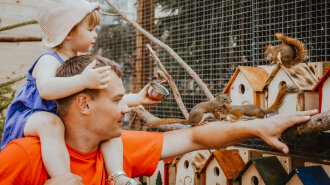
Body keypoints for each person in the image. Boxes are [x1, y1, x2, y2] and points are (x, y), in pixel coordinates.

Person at [0, 54, 318, 185]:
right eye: (116, 100)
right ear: (84, 103)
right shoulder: (25, 157)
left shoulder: (113, 145)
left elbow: (195, 138)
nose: (127, 108)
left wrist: (257, 126)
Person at [0, 0, 157, 184]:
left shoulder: (77, 62)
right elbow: (45, 89)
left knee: (107, 131)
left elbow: (104, 98)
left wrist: (136, 98)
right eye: (90, 30)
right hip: (31, 114)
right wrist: (83, 80)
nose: (95, 35)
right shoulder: (48, 59)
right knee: (52, 124)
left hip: (58, 115)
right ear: (68, 33)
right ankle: (63, 178)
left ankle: (117, 176)